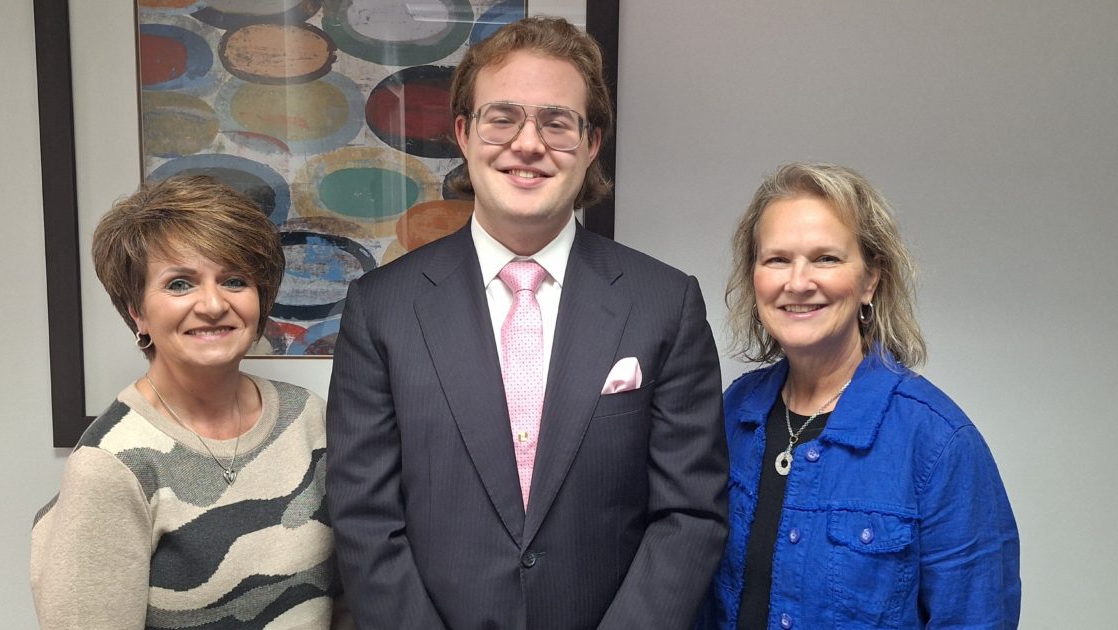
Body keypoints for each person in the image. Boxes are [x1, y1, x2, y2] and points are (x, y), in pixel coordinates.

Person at [326, 16, 729, 630]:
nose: (528, 144)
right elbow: (364, 517)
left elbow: (690, 515)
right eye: (503, 118)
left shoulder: (664, 303)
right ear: (464, 134)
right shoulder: (382, 308)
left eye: (557, 122)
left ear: (591, 144)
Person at [697, 162, 1020, 629]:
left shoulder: (938, 443)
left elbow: (976, 618)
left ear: (870, 280)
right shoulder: (733, 414)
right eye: (777, 259)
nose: (798, 282)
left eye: (826, 259)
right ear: (754, 277)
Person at [30, 176, 349, 628]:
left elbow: (348, 595)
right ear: (137, 311)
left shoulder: (307, 418)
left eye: (234, 280)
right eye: (180, 284)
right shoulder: (112, 465)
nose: (213, 304)